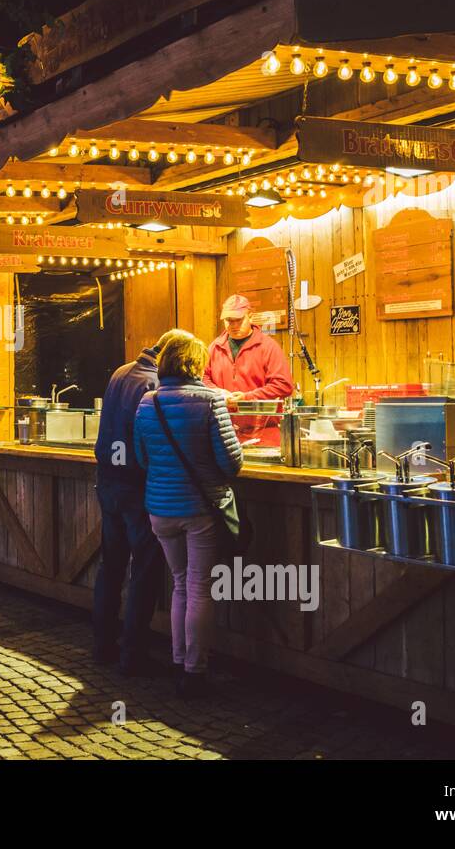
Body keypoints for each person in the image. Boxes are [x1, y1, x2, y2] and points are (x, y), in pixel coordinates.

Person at [134, 330, 243, 698]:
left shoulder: (147, 403)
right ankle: (195, 673)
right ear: (196, 363)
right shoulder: (210, 401)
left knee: (180, 583)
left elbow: (141, 458)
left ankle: (180, 661)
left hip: (160, 509)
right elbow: (231, 463)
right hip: (199, 509)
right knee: (199, 588)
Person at [91, 331, 172, 675]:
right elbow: (148, 437)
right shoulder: (154, 385)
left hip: (109, 480)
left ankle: (102, 644)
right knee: (144, 568)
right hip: (137, 485)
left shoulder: (120, 372)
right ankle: (133, 652)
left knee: (111, 565)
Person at [203, 294, 294, 446]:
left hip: (263, 435)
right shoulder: (214, 347)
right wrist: (217, 392)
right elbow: (203, 379)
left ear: (250, 317)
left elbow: (283, 385)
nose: (233, 325)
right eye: (228, 321)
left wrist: (247, 397)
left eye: (238, 320)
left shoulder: (268, 346)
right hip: (224, 433)